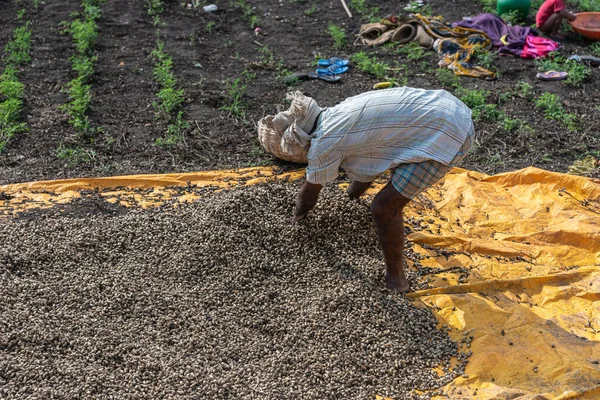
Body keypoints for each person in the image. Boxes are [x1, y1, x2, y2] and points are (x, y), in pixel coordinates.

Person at [258, 87, 474, 293]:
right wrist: (350, 198)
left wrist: (297, 218)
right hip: (447, 108)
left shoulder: (325, 142)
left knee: (383, 208)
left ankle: (396, 279)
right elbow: (372, 158)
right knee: (390, 175)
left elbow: (310, 192)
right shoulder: (338, 111)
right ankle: (393, 268)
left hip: (449, 133)